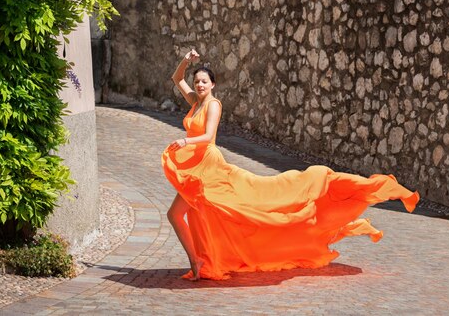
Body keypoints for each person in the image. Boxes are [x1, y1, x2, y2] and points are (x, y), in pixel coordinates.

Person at [163, 49, 419, 281]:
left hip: (208, 167)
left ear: (213, 84)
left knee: (218, 211)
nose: (199, 85)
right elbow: (177, 79)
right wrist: (186, 61)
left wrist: (185, 139)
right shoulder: (195, 102)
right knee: (190, 214)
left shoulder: (213, 105)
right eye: (197, 81)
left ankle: (200, 260)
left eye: (203, 81)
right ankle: (198, 259)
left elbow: (208, 136)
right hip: (197, 167)